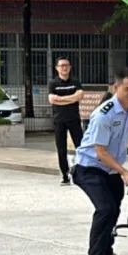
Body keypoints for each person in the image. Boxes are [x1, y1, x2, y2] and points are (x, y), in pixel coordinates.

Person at [72, 68, 128, 255]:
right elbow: (100, 151)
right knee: (105, 208)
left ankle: (106, 251)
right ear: (115, 88)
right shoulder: (104, 114)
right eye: (127, 89)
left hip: (110, 168)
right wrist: (124, 172)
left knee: (115, 207)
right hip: (90, 167)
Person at [48, 57, 85, 185]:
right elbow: (52, 99)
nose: (64, 68)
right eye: (62, 65)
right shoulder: (53, 83)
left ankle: (82, 171)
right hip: (59, 120)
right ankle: (65, 175)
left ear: (70, 67)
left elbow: (80, 96)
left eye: (66, 65)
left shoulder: (75, 82)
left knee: (81, 147)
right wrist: (71, 98)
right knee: (61, 149)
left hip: (74, 119)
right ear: (57, 68)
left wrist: (61, 99)